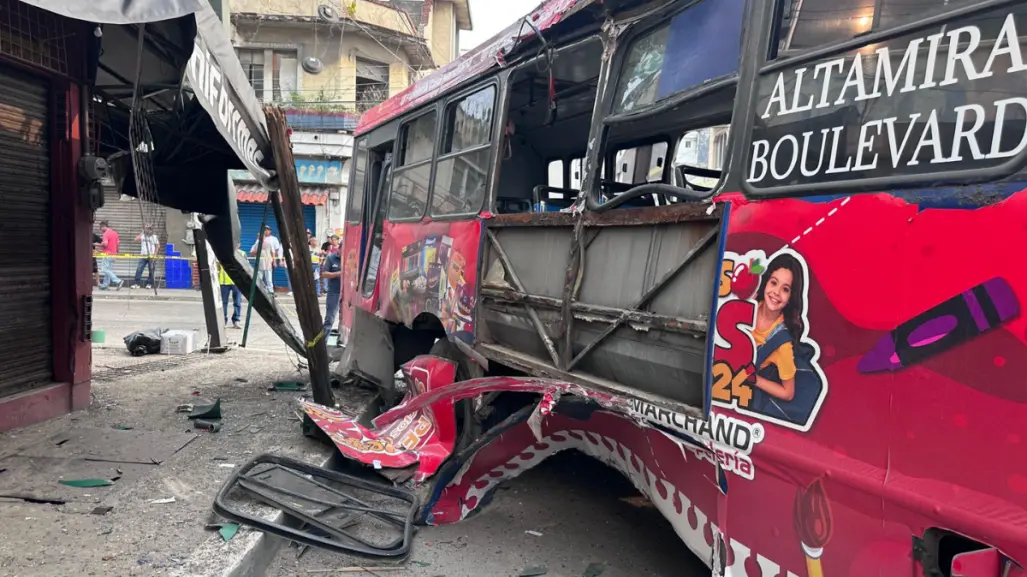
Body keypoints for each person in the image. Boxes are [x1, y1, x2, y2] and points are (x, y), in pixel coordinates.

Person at [217, 243, 245, 329]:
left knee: (237, 303)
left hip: (237, 283)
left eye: (236, 244)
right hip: (224, 282)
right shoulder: (222, 254)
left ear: (239, 245)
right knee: (224, 303)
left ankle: (236, 321)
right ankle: (223, 321)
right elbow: (218, 267)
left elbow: (245, 267)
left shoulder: (242, 254)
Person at [249, 226, 283, 294]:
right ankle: (258, 290)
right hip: (260, 264)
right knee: (259, 278)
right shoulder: (257, 243)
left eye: (267, 230)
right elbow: (251, 252)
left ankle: (271, 291)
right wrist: (257, 250)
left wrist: (274, 262)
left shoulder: (270, 243)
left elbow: (274, 252)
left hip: (268, 263)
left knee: (269, 278)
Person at [321, 248, 343, 338]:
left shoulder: (352, 257)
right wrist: (338, 274)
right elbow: (324, 274)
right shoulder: (331, 258)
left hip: (348, 292)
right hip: (334, 292)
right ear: (340, 249)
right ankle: (323, 342)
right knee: (330, 318)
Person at [97, 220, 124, 290]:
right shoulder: (115, 233)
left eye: (100, 228)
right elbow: (118, 244)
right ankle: (105, 285)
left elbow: (105, 244)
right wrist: (116, 253)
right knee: (108, 270)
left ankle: (118, 281)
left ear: (103, 226)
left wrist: (96, 244)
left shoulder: (106, 233)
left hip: (107, 254)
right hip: (113, 254)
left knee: (104, 269)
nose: (101, 230)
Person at [132, 224, 160, 289]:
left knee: (151, 270)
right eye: (147, 228)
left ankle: (149, 284)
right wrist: (142, 232)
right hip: (143, 256)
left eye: (149, 229)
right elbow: (135, 239)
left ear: (151, 229)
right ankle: (137, 283)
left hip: (151, 256)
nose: (148, 230)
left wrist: (155, 255)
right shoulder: (143, 236)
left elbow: (157, 246)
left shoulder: (154, 237)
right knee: (139, 269)